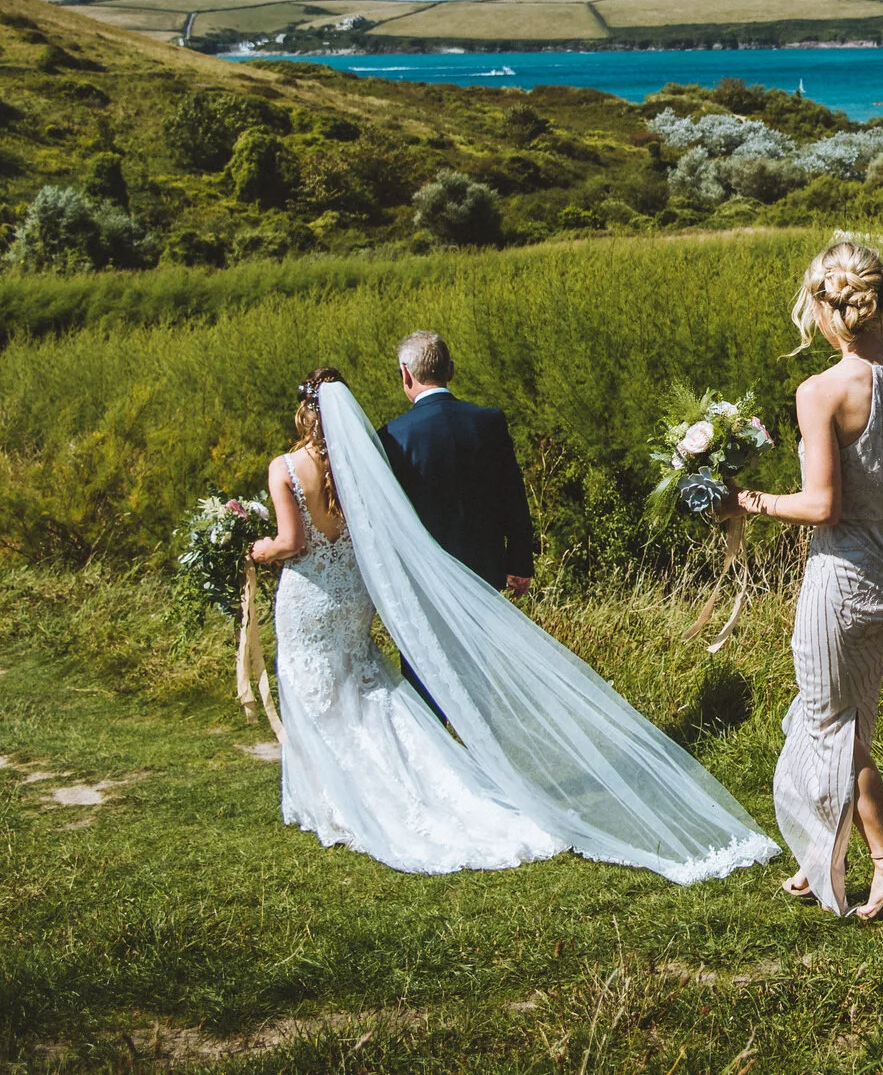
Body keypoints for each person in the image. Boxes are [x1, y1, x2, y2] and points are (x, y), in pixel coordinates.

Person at [249, 368, 778, 881]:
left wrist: (257, 548)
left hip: (312, 594)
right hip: (362, 590)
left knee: (318, 685)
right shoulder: (361, 459)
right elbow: (499, 496)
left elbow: (292, 542)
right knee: (364, 683)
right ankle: (426, 778)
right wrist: (515, 557)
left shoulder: (299, 463)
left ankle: (338, 796)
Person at [727, 243, 883, 923]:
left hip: (843, 580)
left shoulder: (821, 391)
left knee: (828, 724)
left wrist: (749, 500)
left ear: (823, 307)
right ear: (879, 301)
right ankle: (822, 856)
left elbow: (822, 507)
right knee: (850, 715)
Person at [379, 331, 536, 595]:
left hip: (425, 573)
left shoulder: (392, 436)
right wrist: (520, 563)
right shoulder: (490, 421)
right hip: (486, 568)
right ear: (450, 371)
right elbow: (513, 496)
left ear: (406, 374)